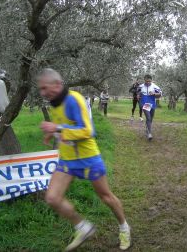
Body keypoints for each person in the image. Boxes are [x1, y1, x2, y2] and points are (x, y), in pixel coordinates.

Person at [38, 69, 131, 251]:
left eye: (45, 88)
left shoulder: (74, 99)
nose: (42, 93)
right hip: (67, 159)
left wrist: (57, 127)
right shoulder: (54, 103)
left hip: (88, 158)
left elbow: (88, 131)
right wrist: (53, 133)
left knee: (106, 197)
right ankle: (83, 228)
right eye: (40, 89)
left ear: (57, 85)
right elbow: (65, 128)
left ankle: (124, 227)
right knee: (52, 198)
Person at [138, 74, 162, 141]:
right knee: (148, 118)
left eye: (149, 81)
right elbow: (138, 94)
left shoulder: (155, 87)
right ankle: (149, 134)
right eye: (147, 81)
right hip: (145, 103)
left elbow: (160, 95)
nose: (148, 82)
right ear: (144, 80)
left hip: (152, 103)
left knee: (150, 119)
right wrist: (139, 98)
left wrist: (154, 94)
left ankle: (147, 130)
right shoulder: (141, 86)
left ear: (151, 80)